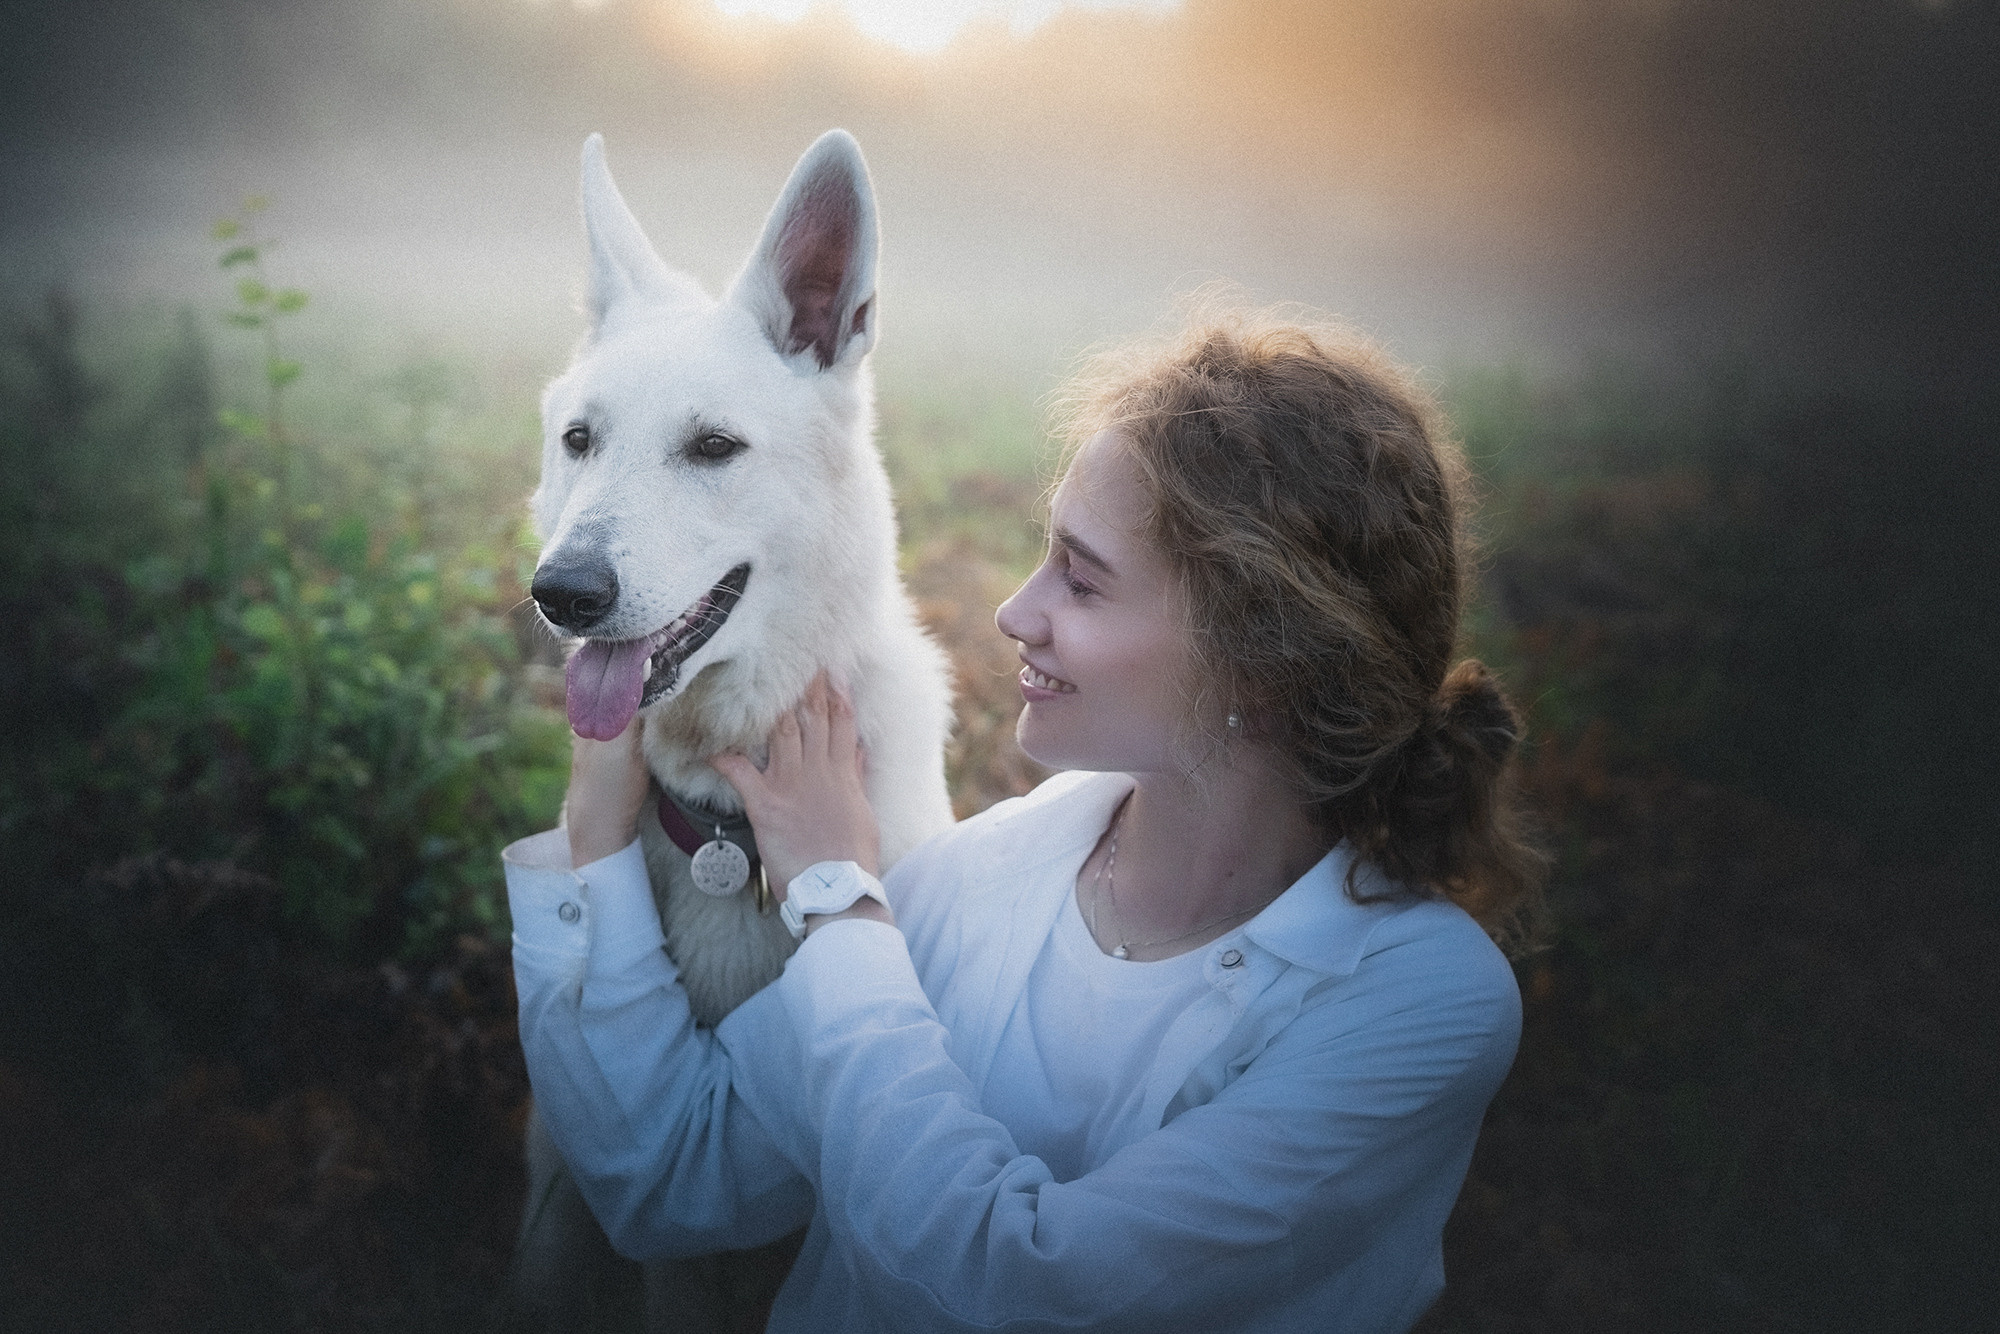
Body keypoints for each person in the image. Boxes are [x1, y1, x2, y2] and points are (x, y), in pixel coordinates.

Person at [505, 309, 1545, 1333]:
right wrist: (596, 841)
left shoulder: (1421, 997)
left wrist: (836, 901)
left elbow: (1019, 1291)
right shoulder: (986, 872)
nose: (1013, 610)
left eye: (1081, 582)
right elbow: (669, 1178)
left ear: (1263, 662)